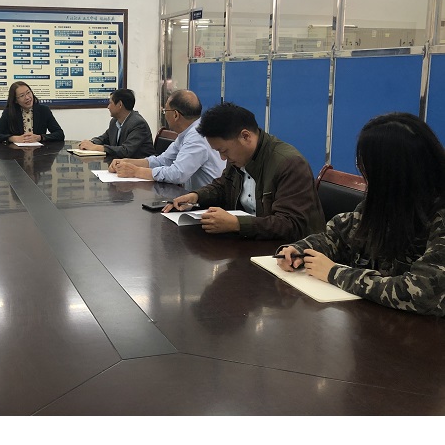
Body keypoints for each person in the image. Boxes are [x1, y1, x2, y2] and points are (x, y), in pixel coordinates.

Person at [277, 113, 445, 316]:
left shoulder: (438, 214)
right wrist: (300, 250)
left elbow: (422, 293)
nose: (364, 175)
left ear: (392, 172)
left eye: (366, 167)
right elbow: (339, 236)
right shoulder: (389, 200)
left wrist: (334, 273)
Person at [164, 102, 324, 241]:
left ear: (245, 136)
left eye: (223, 151)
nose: (222, 158)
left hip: (291, 253)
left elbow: (290, 224)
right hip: (253, 242)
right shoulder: (239, 157)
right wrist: (196, 196)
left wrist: (236, 224)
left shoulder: (289, 164)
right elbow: (223, 187)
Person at [108, 89, 225, 190]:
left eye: (165, 111)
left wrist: (136, 171)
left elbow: (178, 174)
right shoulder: (187, 133)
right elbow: (162, 160)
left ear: (175, 115)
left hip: (212, 202)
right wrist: (127, 162)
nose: (164, 115)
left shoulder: (197, 136)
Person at [78, 88, 155, 159]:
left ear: (120, 104)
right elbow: (104, 138)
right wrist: (90, 143)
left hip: (139, 166)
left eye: (110, 103)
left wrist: (96, 147)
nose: (108, 107)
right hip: (121, 163)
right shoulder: (114, 121)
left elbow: (126, 151)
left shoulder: (138, 123)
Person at [0, 81, 64, 143]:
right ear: (15, 100)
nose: (27, 97)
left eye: (28, 92)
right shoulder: (9, 112)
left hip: (39, 154)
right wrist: (12, 138)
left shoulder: (44, 110)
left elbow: (60, 134)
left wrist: (40, 137)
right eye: (22, 96)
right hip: (15, 154)